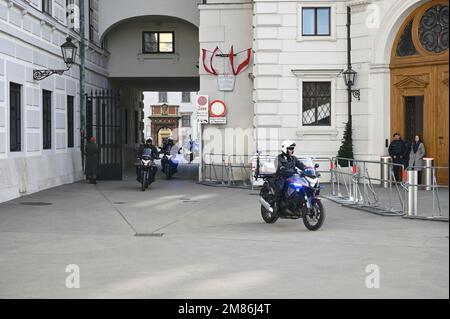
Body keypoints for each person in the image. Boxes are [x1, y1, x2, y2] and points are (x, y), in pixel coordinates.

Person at [273, 140, 306, 213]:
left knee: (302, 187)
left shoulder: (293, 158)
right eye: (290, 148)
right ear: (285, 149)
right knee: (281, 189)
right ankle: (277, 207)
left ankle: (297, 205)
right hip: (281, 178)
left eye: (293, 149)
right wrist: (282, 168)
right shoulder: (279, 158)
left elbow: (301, 165)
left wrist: (308, 169)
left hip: (292, 178)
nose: (292, 150)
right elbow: (279, 167)